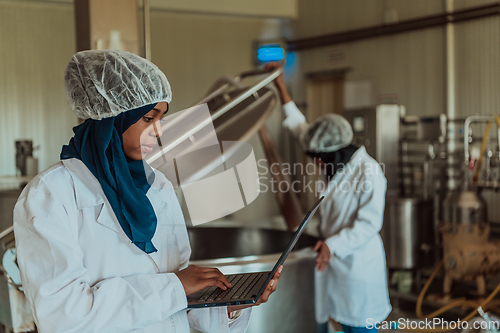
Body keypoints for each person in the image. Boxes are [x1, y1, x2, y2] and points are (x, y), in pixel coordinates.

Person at [13, 50, 282, 333]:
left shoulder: (158, 188)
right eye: (148, 118)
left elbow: (180, 305)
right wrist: (175, 286)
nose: (159, 131)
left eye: (161, 119)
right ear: (114, 118)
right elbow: (64, 317)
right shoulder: (51, 195)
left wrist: (230, 306)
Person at [266, 62, 391, 333]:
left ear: (335, 152)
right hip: (329, 260)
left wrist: (332, 245)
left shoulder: (368, 172)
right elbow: (300, 128)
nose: (317, 164)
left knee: (358, 326)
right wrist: (280, 86)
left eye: (320, 160)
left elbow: (369, 224)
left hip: (357, 265)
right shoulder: (330, 154)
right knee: (324, 318)